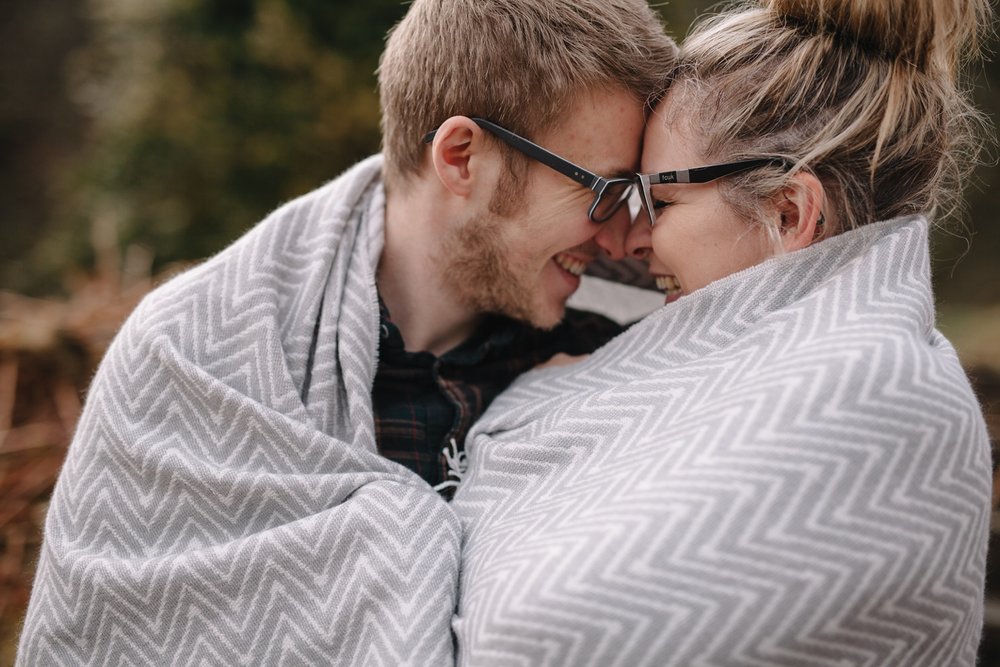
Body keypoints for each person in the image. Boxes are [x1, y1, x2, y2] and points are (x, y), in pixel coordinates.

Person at [16, 1, 677, 665]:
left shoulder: (618, 343)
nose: (624, 236)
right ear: (461, 156)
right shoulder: (190, 353)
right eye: (602, 191)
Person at [451, 0, 993, 665]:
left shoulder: (886, 396)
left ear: (791, 212)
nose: (636, 237)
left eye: (662, 199)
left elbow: (529, 642)